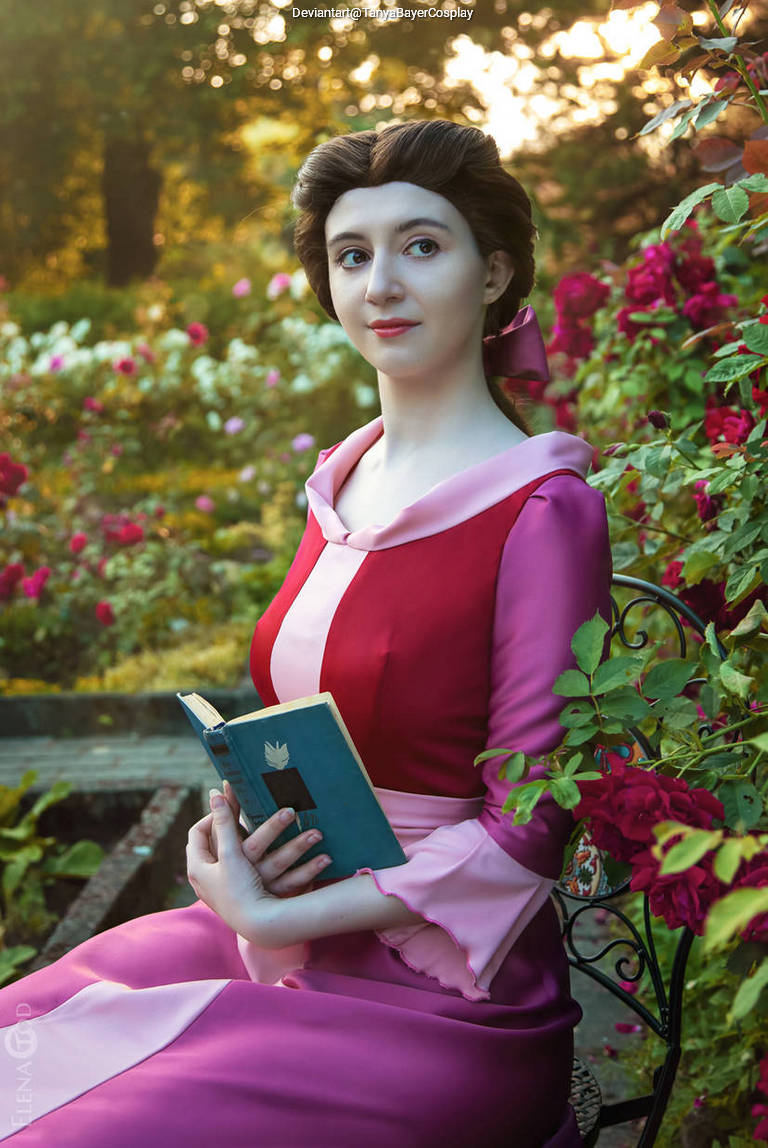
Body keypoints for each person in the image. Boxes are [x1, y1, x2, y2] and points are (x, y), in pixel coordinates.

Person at [0, 119, 612, 1147]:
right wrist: (244, 839)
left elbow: (531, 829)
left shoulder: (543, 509)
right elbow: (319, 730)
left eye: (423, 245)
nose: (382, 284)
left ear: (495, 269)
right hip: (287, 930)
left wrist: (277, 917)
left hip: (449, 997)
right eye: (352, 254)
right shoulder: (343, 476)